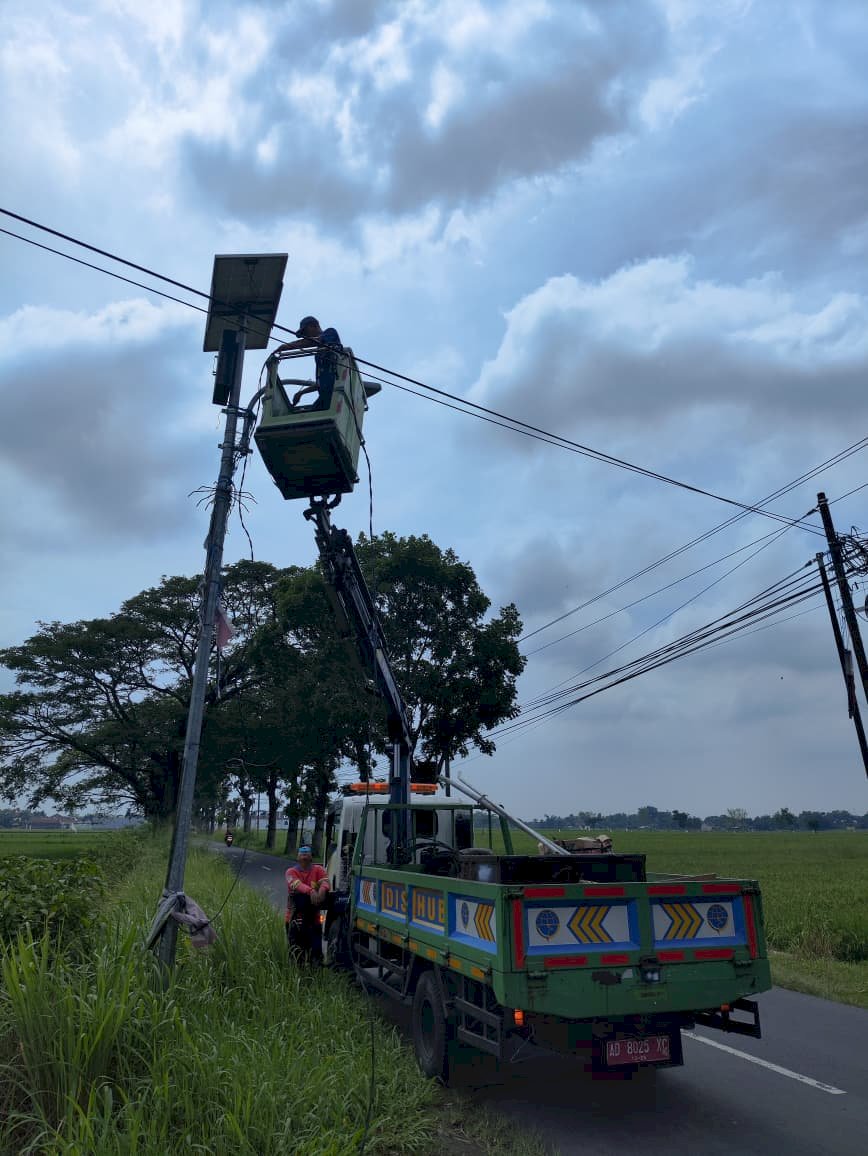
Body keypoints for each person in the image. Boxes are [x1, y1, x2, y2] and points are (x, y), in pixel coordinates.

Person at [275, 316, 343, 410]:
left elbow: (313, 341)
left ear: (314, 326)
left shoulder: (330, 333)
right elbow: (320, 383)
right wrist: (301, 393)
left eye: (305, 332)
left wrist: (287, 346)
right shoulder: (318, 354)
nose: (305, 336)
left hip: (336, 392)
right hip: (325, 396)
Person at [285, 845, 330, 963]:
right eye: (302, 853)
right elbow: (296, 884)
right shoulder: (291, 872)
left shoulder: (318, 870)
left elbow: (325, 881)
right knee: (297, 954)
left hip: (314, 919)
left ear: (311, 857)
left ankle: (316, 976)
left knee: (315, 953)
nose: (304, 855)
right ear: (297, 857)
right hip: (295, 918)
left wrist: (322, 890)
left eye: (307, 853)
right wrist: (310, 891)